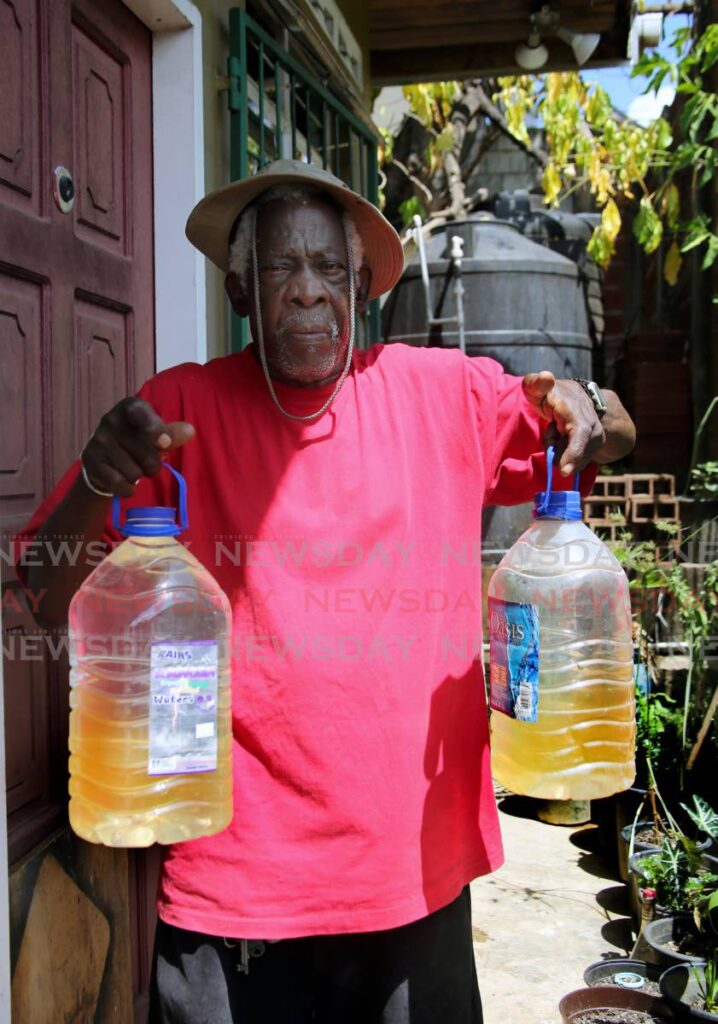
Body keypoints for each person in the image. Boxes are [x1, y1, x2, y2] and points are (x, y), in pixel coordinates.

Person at [15, 159, 636, 1024]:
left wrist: (596, 406)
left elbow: (596, 430)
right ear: (239, 289)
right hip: (233, 899)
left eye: (329, 269)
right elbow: (46, 596)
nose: (307, 292)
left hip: (413, 883)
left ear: (363, 287)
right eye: (280, 269)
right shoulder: (176, 412)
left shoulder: (443, 395)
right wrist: (93, 475)